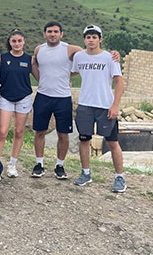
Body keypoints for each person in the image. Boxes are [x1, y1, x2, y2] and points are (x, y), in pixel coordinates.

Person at [31, 21, 120, 179]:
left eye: (56, 31)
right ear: (44, 34)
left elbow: (116, 79)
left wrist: (115, 54)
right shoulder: (39, 50)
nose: (52, 34)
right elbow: (35, 64)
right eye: (49, 31)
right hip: (45, 96)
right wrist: (45, 79)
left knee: (64, 134)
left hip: (65, 98)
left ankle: (60, 165)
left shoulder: (73, 50)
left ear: (61, 34)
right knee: (40, 131)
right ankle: (40, 164)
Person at [71, 25, 126, 193]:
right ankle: (86, 173)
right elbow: (71, 71)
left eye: (94, 37)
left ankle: (119, 177)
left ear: (100, 39)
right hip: (85, 105)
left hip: (105, 106)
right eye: (88, 37)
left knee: (112, 142)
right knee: (84, 140)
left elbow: (119, 81)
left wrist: (115, 105)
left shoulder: (110, 57)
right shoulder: (79, 57)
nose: (91, 40)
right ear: (84, 40)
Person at [0, 29, 37, 177]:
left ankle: (12, 164)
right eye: (14, 41)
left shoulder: (30, 59)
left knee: (19, 131)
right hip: (6, 97)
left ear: (24, 42)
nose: (17, 43)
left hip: (23, 97)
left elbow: (41, 77)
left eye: (19, 41)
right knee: (2, 132)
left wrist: (63, 80)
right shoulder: (2, 58)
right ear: (10, 42)